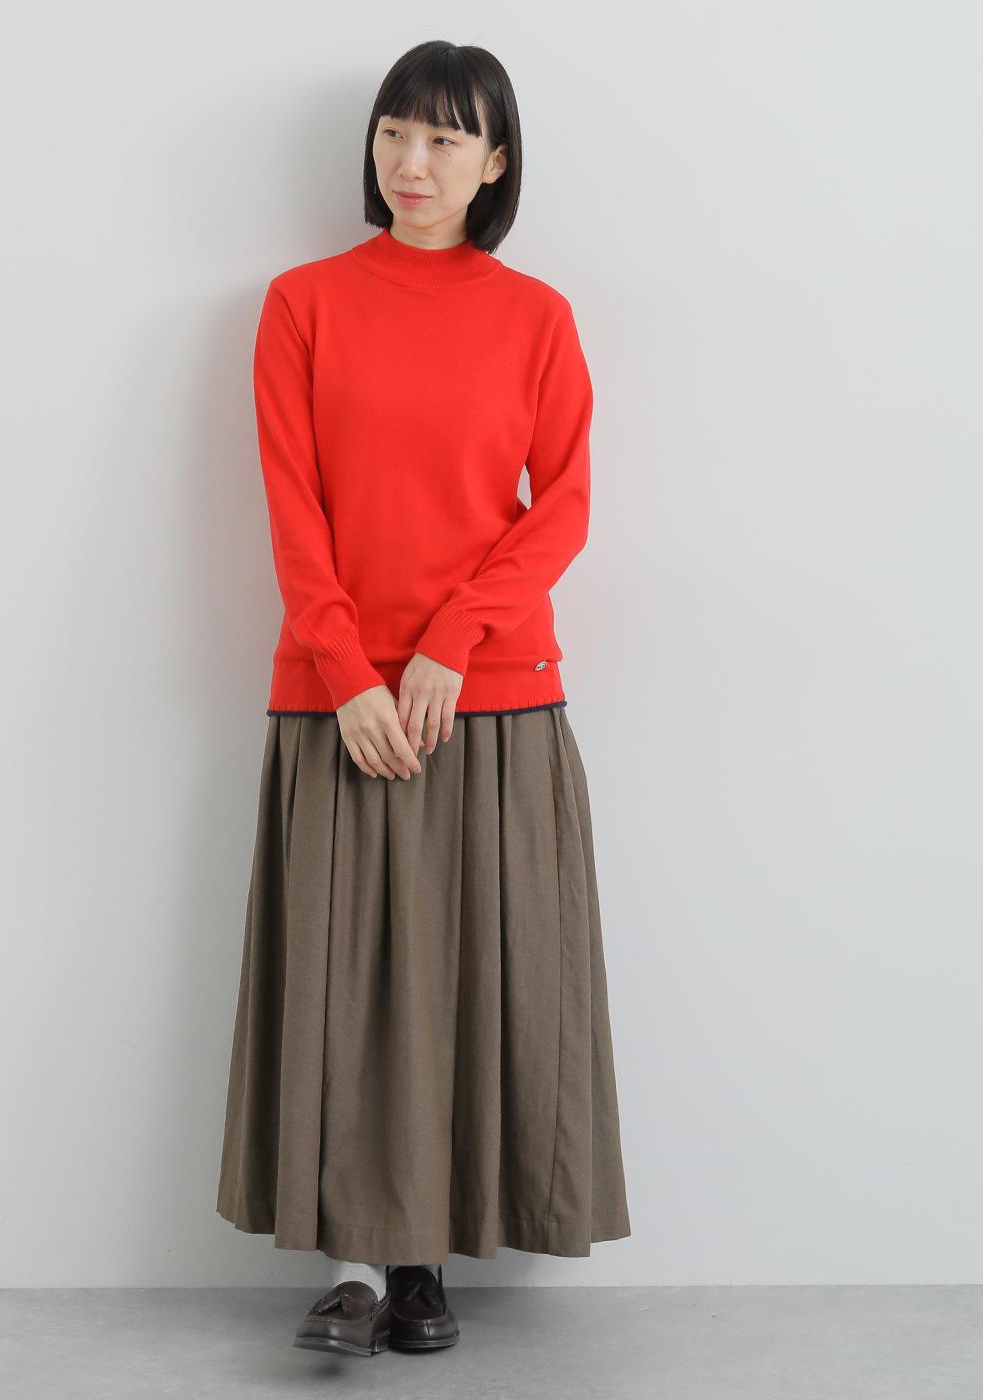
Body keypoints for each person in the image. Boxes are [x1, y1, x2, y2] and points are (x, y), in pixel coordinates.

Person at [216, 38, 632, 1358]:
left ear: (495, 162)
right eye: (396, 131)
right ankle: (356, 1268)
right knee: (346, 982)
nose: (413, 161)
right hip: (337, 698)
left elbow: (562, 506)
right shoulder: (302, 305)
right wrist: (347, 672)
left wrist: (453, 640)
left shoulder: (537, 318)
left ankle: (426, 1264)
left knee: (480, 981)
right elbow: (293, 508)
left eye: (447, 139)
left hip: (493, 697)